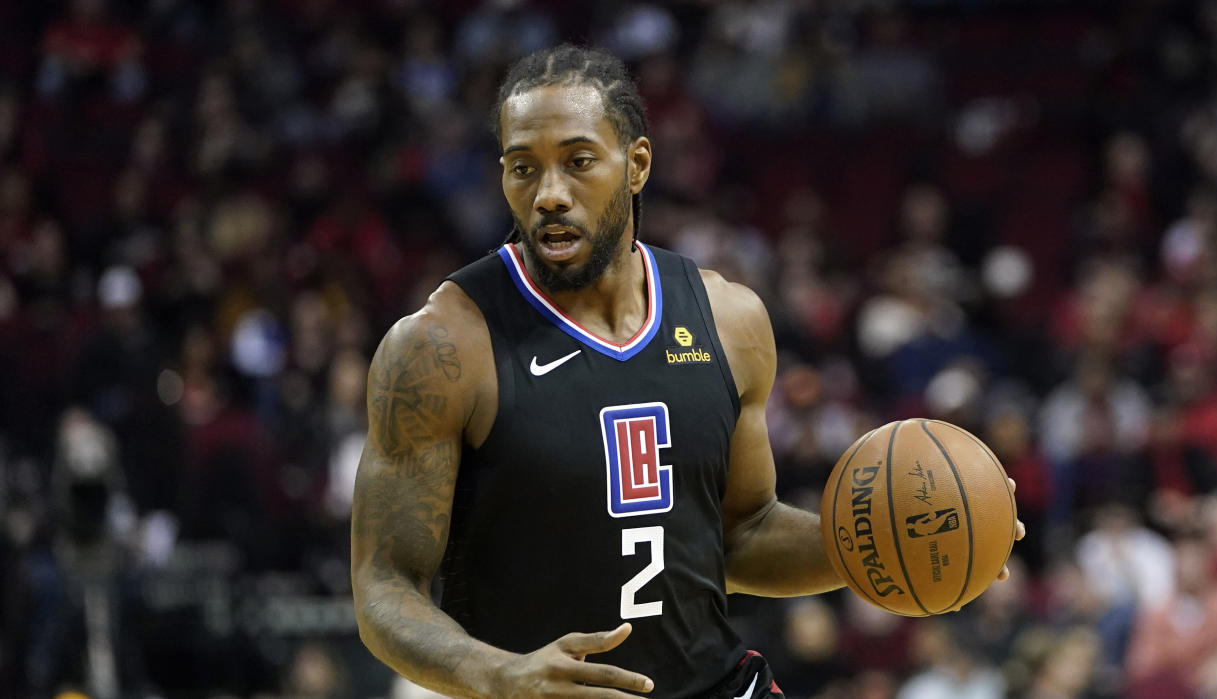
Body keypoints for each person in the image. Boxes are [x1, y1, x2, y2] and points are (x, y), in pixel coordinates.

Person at [350, 45, 1023, 698]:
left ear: (636, 164)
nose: (549, 193)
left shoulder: (730, 322)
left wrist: (896, 534)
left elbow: (741, 535)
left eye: (578, 161)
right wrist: (497, 675)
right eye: (522, 168)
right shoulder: (440, 348)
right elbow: (384, 585)